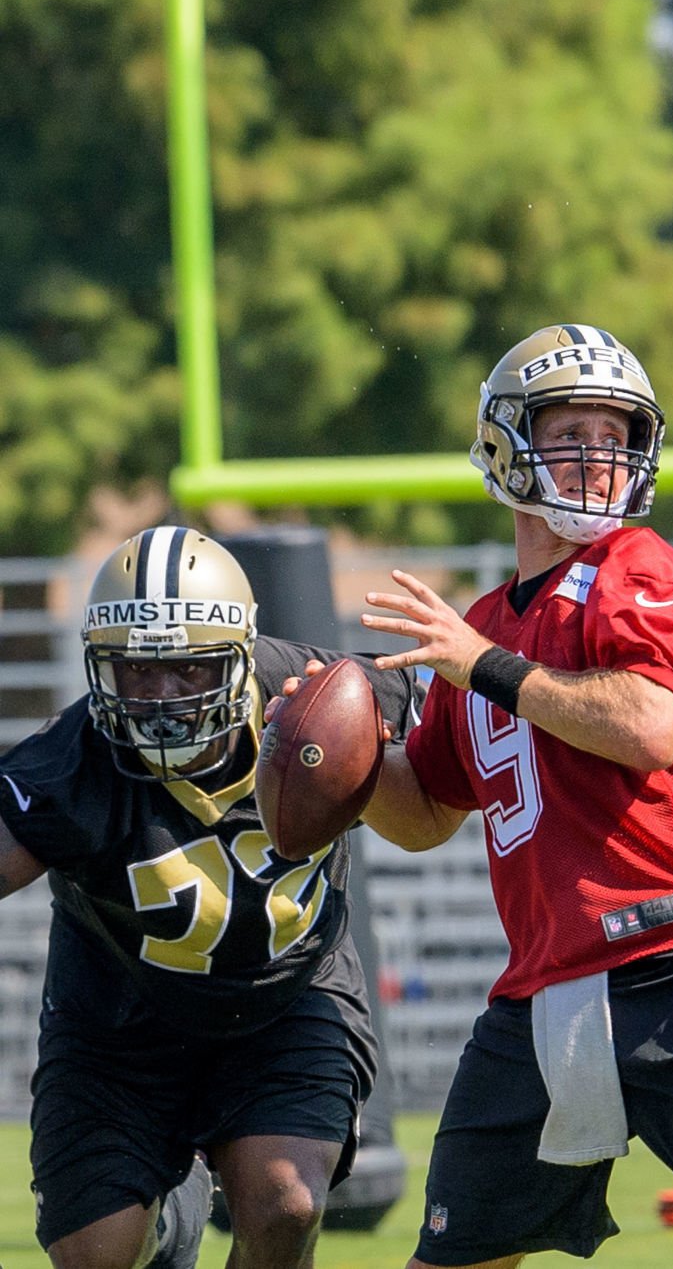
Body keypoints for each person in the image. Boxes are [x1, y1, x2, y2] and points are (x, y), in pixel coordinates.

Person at [356, 324, 673, 1269]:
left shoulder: (637, 570)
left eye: (616, 436)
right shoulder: (481, 627)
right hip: (542, 988)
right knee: (449, 1259)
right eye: (569, 433)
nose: (598, 461)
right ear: (504, 445)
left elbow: (649, 725)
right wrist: (330, 754)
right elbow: (424, 814)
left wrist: (480, 663)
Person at [0, 525, 419, 1269]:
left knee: (287, 1202)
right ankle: (168, 1223)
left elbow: (402, 693)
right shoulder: (68, 765)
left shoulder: (317, 696)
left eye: (189, 670)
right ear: (100, 667)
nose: (162, 697)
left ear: (239, 658)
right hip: (116, 1023)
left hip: (288, 999)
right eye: (136, 671)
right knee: (96, 1255)